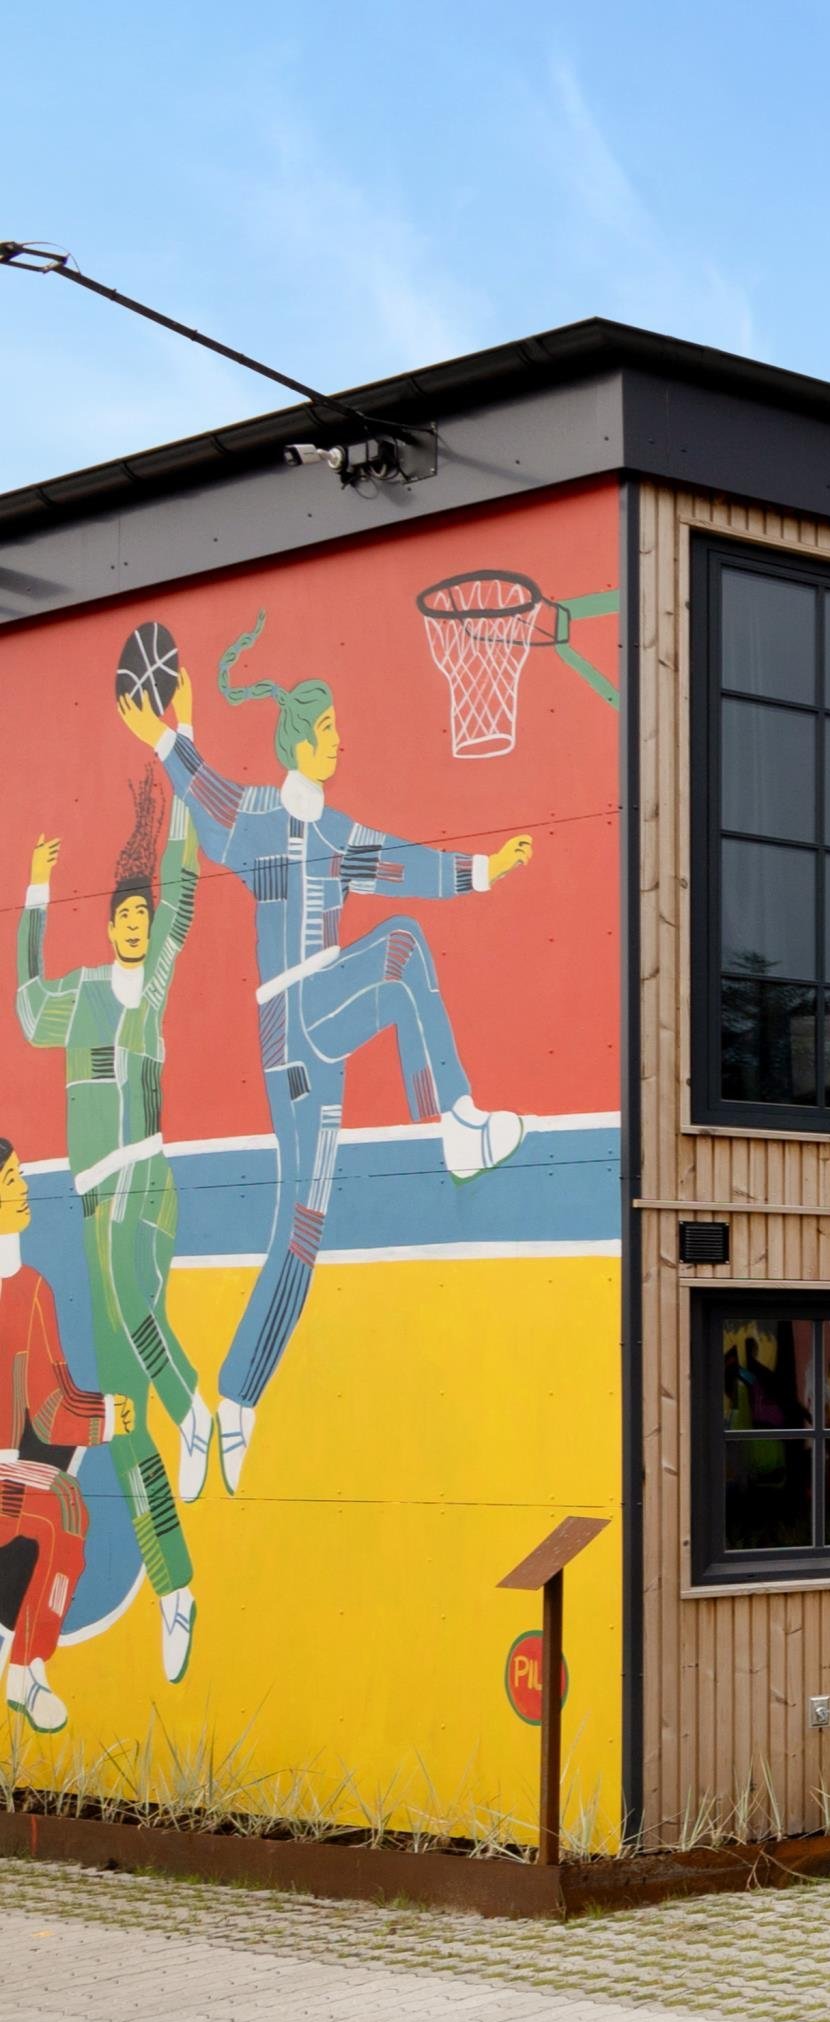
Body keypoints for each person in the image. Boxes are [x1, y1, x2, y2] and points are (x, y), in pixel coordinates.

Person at [126, 616, 535, 1497]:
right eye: (328, 730)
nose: (340, 740)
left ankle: (236, 1397)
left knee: (302, 1233)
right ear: (296, 742)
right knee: (399, 949)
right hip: (299, 1011)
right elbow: (207, 799)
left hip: (312, 1043)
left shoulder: (338, 834)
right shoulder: (262, 821)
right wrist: (168, 734)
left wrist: (482, 871)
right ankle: (459, 1123)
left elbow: (401, 863)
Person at [18, 791, 199, 1678]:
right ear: (108, 925)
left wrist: (183, 775)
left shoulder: (152, 988)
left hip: (147, 1187)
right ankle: (176, 1589)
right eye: (124, 916)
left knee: (132, 1297)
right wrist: (35, 896)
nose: (135, 926)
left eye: (144, 917)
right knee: (124, 1424)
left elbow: (187, 889)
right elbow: (25, 1009)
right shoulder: (83, 996)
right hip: (95, 1206)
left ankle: (195, 1406)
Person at [0, 1138, 131, 1732]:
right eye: (10, 1181)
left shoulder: (30, 1288)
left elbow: (52, 1403)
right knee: (61, 1506)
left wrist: (102, 1413)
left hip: (7, 1471)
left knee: (64, 1507)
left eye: (19, 1176)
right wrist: (107, 1418)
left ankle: (27, 1669)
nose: (24, 1188)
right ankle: (26, 1668)